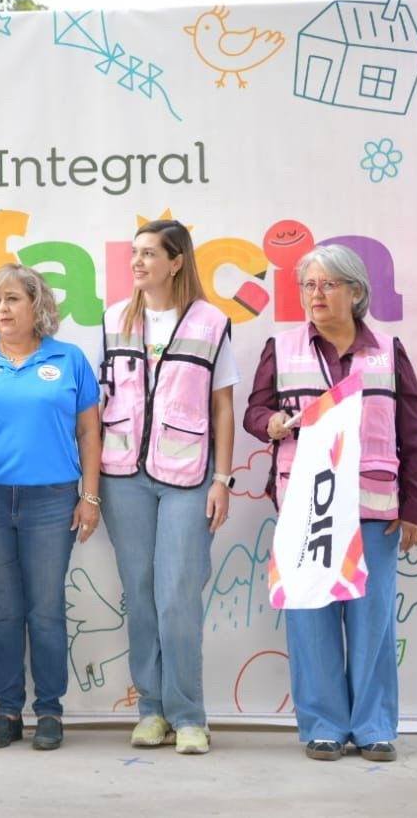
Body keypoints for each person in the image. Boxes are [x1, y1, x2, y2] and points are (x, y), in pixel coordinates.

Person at [243, 243, 417, 762]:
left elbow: (413, 431)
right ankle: (322, 725)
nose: (316, 294)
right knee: (310, 616)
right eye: (308, 285)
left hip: (372, 506)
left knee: (371, 622)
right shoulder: (281, 348)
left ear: (356, 292)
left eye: (327, 284)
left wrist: (414, 507)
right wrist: (272, 423)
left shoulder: (389, 350)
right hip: (306, 508)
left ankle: (373, 728)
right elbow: (254, 412)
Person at [0, 263, 101, 751]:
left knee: (47, 609)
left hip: (53, 499)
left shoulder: (68, 358)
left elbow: (90, 431)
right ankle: (7, 709)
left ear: (38, 305)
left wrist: (89, 496)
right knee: (3, 610)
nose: (3, 309)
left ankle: (50, 711)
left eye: (13, 299)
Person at [97, 220, 235, 756]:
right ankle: (151, 711)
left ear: (176, 261)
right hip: (123, 475)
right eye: (134, 253)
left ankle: (189, 715)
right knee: (143, 598)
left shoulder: (212, 322)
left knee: (178, 595)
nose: (137, 262)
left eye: (149, 253)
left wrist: (222, 478)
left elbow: (222, 406)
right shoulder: (114, 320)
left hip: (188, 476)